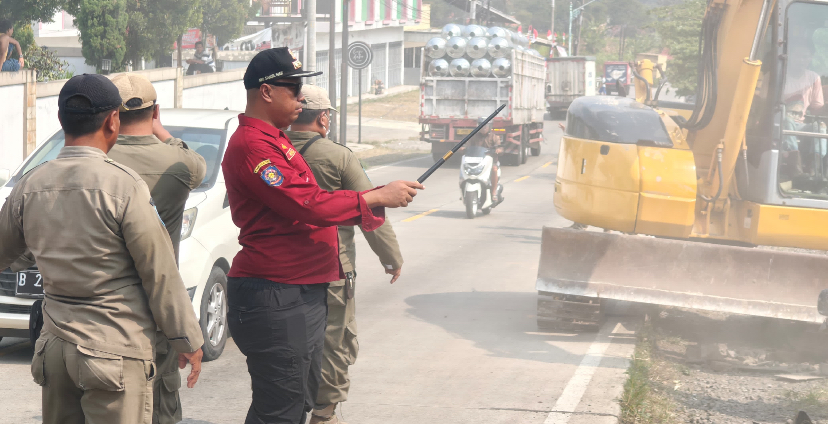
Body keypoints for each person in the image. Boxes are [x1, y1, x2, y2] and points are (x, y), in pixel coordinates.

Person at [221, 47, 423, 424]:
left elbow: (316, 201)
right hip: (277, 291)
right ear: (266, 92)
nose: (301, 98)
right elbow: (307, 203)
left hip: (301, 289)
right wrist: (376, 196)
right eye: (293, 89)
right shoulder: (254, 146)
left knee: (296, 402)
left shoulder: (276, 140)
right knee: (280, 410)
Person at [0, 74, 204, 424]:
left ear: (62, 119)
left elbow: (8, 254)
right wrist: (187, 338)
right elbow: (159, 272)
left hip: (55, 350)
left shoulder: (30, 184)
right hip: (114, 352)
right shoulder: (123, 185)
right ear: (113, 121)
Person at [285, 85, 404, 424]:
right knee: (334, 341)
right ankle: (323, 415)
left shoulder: (273, 152)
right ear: (323, 118)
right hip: (332, 268)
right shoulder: (337, 156)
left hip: (279, 270)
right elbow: (371, 207)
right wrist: (390, 256)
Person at [108, 73, 208, 424]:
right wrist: (161, 130)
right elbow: (199, 166)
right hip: (159, 307)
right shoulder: (179, 166)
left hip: (104, 307)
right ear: (155, 112)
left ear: (112, 115)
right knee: (159, 403)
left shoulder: (98, 160)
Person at [783, 42, 824, 121]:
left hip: (801, 126)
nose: (801, 60)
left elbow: (817, 106)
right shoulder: (776, 75)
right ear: (790, 56)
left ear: (811, 58)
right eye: (797, 56)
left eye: (805, 57)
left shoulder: (814, 78)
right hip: (779, 123)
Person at [467, 117, 504, 204]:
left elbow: (500, 146)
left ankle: (494, 192)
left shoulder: (494, 137)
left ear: (489, 126)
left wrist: (499, 150)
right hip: (477, 160)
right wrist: (462, 148)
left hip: (491, 161)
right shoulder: (473, 136)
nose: (483, 128)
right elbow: (467, 145)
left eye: (485, 126)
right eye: (481, 126)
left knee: (494, 169)